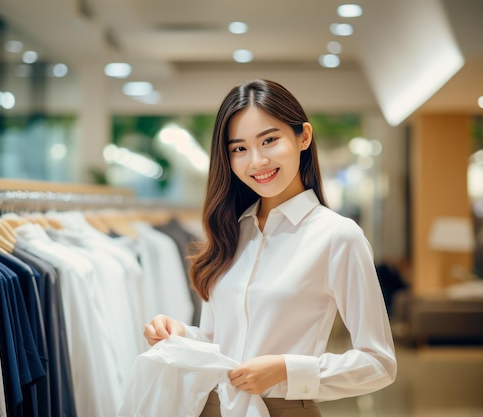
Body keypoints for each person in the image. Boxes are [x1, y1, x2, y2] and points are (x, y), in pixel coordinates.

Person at [143, 79, 397, 417]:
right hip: (211, 407)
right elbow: (215, 341)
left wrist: (287, 370)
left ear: (303, 136)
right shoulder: (229, 232)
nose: (257, 161)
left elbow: (378, 363)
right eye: (239, 149)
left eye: (270, 140)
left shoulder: (338, 236)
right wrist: (177, 335)